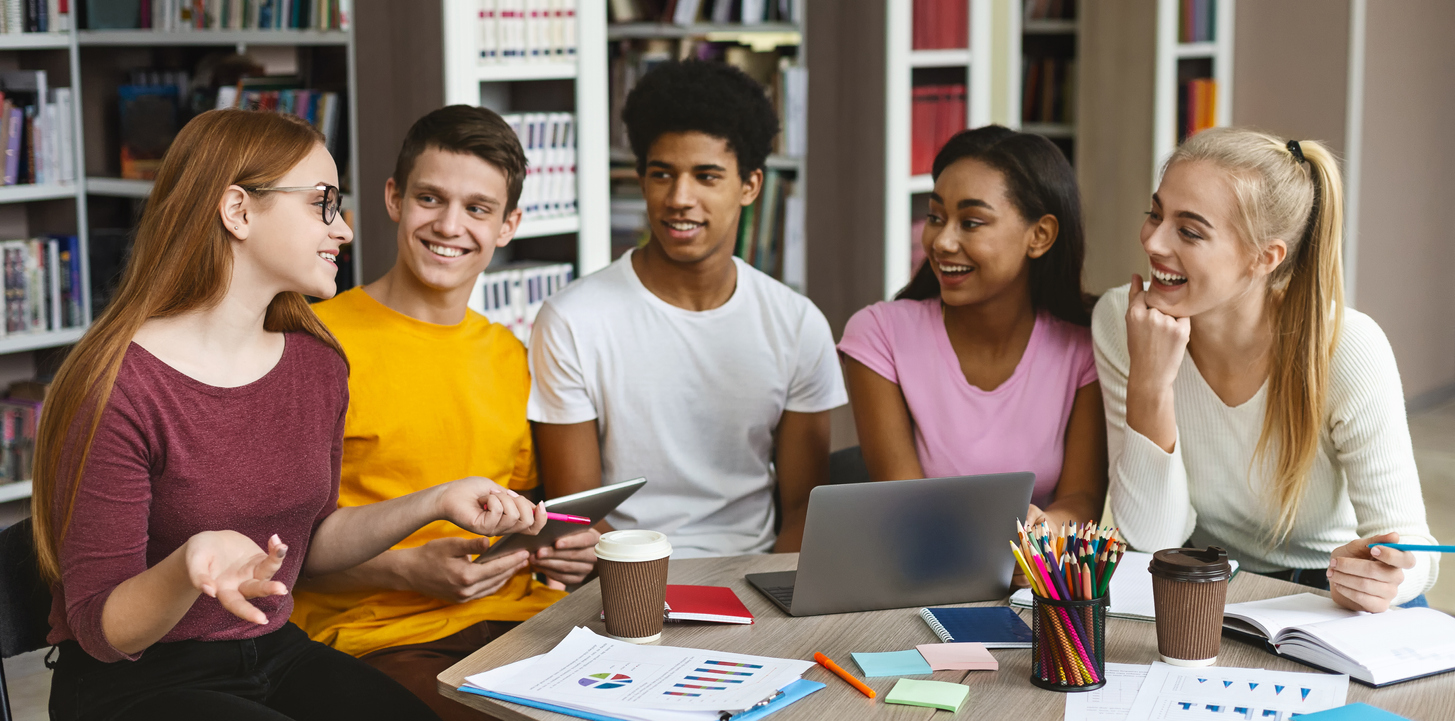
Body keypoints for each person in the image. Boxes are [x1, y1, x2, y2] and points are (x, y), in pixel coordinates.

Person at [32, 109, 549, 721]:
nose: (346, 230)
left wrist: (436, 501)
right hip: (135, 682)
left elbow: (313, 541)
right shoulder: (118, 384)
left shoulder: (315, 363)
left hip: (271, 652)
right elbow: (101, 629)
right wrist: (188, 567)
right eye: (322, 204)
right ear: (238, 211)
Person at [290, 105, 599, 721]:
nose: (450, 225)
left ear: (508, 225)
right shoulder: (314, 342)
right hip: (379, 641)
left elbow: (517, 511)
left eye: (478, 209)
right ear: (393, 198)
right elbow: (276, 551)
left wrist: (560, 548)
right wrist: (408, 571)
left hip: (525, 627)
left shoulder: (509, 354)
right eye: (431, 198)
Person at [1094, 127, 1438, 612]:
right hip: (1211, 581)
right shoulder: (1123, 320)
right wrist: (1151, 382)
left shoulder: (1348, 347)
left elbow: (1416, 551)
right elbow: (1153, 539)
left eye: (1189, 231)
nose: (1153, 239)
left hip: (1329, 592)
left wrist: (1385, 579)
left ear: (1264, 257)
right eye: (1155, 213)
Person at [528, 60, 846, 557]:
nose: (680, 198)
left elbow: (805, 510)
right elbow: (578, 510)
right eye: (663, 174)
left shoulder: (797, 323)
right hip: (622, 573)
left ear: (750, 186)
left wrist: (770, 606)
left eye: (706, 176)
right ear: (642, 179)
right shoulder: (571, 319)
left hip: (754, 576)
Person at [839, 126, 1107, 535]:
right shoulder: (879, 335)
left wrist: (1046, 530)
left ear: (1040, 235)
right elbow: (903, 500)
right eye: (935, 217)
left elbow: (1082, 498)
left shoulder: (1084, 346)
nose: (942, 242)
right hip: (924, 568)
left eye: (971, 222)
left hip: (1035, 580)